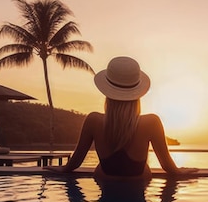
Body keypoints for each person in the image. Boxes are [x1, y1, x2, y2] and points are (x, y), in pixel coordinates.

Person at [44, 56, 198, 179]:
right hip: (138, 189)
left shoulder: (94, 120)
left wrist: (62, 168)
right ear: (137, 93)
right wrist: (179, 171)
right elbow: (167, 166)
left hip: (105, 187)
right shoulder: (151, 122)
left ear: (107, 92)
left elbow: (75, 163)